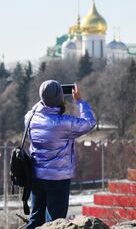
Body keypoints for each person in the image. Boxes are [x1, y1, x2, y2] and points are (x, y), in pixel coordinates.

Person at [26, 80, 96, 228]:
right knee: (55, 222)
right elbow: (89, 122)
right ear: (59, 98)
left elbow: (36, 109)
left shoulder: (30, 118)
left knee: (35, 219)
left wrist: (46, 98)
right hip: (58, 179)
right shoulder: (63, 124)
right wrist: (79, 101)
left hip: (36, 176)